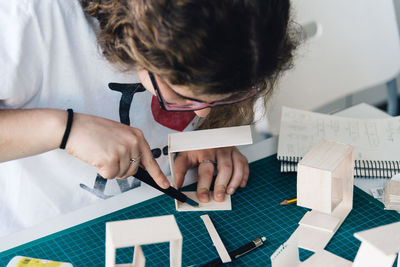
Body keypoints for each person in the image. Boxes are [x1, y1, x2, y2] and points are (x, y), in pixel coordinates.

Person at [0, 0, 296, 237]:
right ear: (133, 33)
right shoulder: (27, 17)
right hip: (50, 232)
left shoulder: (246, 19)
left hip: (169, 211)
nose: (202, 111)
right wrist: (65, 130)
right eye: (180, 94)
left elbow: (208, 110)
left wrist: (211, 134)